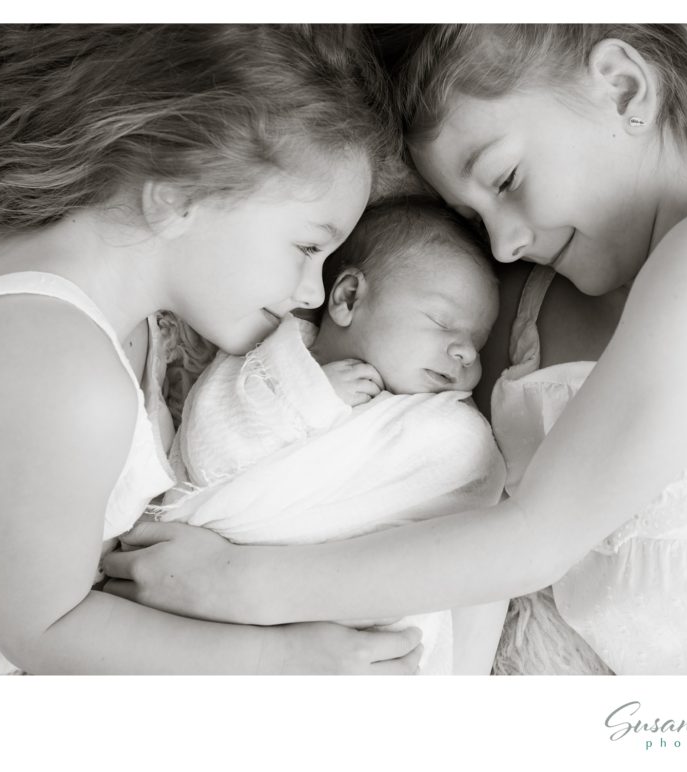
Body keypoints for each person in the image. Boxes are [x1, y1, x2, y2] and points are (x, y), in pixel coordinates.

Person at [103, 24, 687, 675]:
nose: (501, 240)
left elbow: (534, 538)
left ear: (625, 90)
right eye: (468, 211)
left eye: (505, 178)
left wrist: (237, 583)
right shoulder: (516, 311)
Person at [0, 23, 426, 674]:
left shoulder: (101, 316)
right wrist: (284, 660)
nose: (313, 293)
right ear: (178, 197)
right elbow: (42, 627)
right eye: (308, 247)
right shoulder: (66, 372)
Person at [152, 199, 508, 674]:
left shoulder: (438, 423)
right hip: (225, 604)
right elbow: (211, 448)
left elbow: (469, 510)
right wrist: (311, 394)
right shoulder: (273, 367)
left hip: (371, 626)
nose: (465, 352)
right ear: (348, 298)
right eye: (443, 322)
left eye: (478, 343)